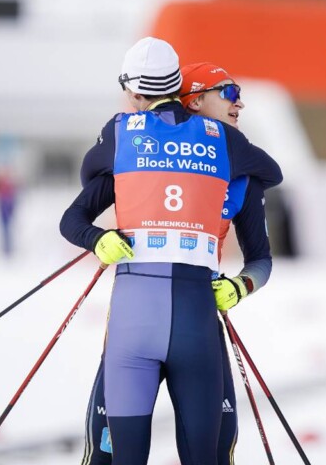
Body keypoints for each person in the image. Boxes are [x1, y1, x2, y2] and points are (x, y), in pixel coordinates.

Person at [60, 38, 282, 465]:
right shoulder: (217, 148)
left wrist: (241, 286)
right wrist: (98, 237)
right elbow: (82, 206)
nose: (239, 103)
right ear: (191, 99)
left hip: (182, 317)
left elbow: (262, 247)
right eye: (228, 93)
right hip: (169, 321)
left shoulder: (236, 171)